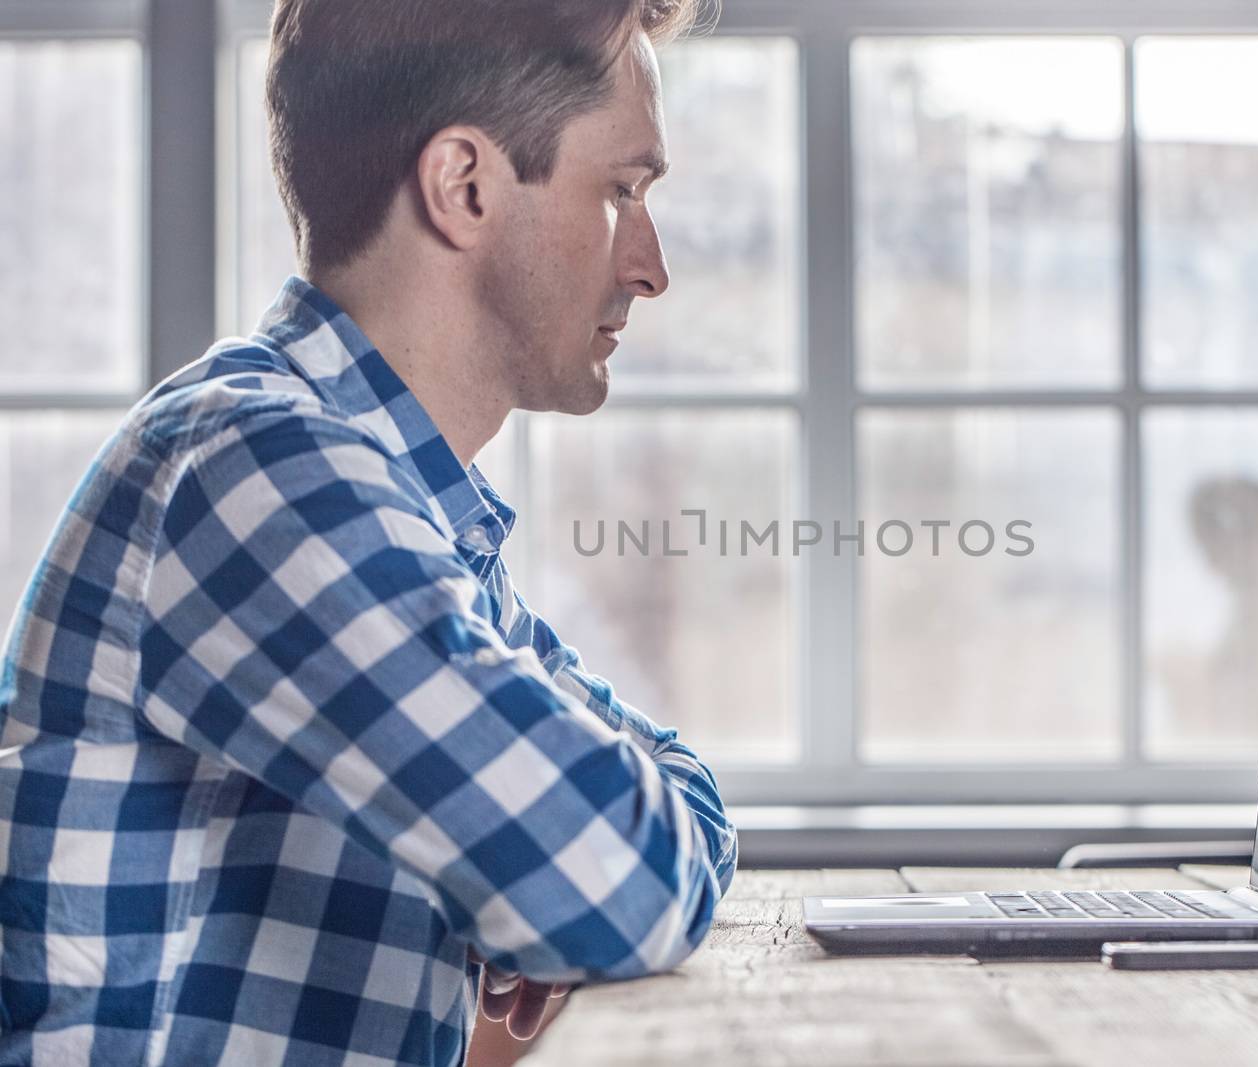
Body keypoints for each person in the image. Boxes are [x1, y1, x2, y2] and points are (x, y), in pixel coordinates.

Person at [0, 1, 737, 1064]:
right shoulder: (256, 474)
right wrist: (553, 875)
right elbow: (613, 879)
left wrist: (569, 862)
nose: (650, 265)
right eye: (620, 192)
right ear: (465, 186)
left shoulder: (396, 502)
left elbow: (649, 784)